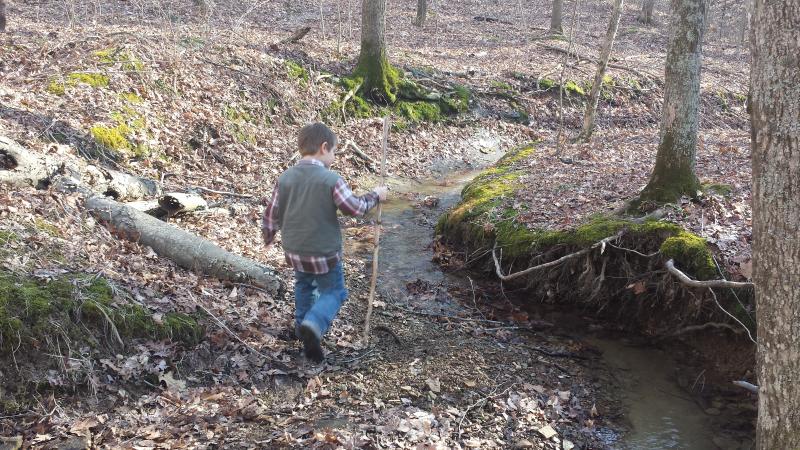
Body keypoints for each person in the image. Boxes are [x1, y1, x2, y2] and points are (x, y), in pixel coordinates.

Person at [262, 122, 387, 362]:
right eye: (334, 152)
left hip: (294, 250)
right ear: (324, 147)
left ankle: (302, 329)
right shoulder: (330, 179)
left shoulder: (285, 177)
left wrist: (269, 236)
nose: (334, 157)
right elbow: (354, 208)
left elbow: (271, 213)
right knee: (335, 291)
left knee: (304, 285)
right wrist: (375, 196)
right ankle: (314, 324)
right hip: (324, 251)